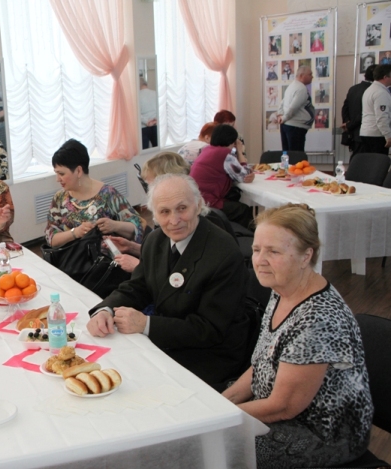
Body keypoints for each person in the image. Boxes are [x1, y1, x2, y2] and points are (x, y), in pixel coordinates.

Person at [223, 204, 372, 469]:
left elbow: (284, 407)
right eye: (257, 250)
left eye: (274, 251)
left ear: (306, 256)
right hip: (275, 408)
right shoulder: (283, 287)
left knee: (215, 448)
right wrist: (223, 402)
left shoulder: (319, 318)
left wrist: (219, 416)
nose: (259, 260)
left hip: (321, 434)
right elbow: (262, 364)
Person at [87, 173, 251, 387]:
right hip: (169, 339)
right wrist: (105, 310)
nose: (174, 220)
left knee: (134, 385)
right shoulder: (156, 240)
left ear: (199, 204)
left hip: (208, 355)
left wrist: (147, 325)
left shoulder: (224, 252)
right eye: (164, 212)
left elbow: (209, 330)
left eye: (182, 208)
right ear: (153, 215)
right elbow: (137, 286)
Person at [46, 138, 142, 251]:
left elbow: (137, 227)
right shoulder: (59, 198)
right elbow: (51, 238)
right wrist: (75, 233)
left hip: (104, 264)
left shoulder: (108, 194)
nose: (58, 179)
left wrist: (114, 225)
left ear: (78, 171)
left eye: (61, 174)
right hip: (70, 263)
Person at [107, 152, 189, 274]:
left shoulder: (185, 221)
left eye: (151, 186)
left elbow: (180, 272)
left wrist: (138, 267)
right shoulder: (165, 217)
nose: (149, 192)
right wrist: (131, 247)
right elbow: (165, 252)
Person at [190, 124, 254, 227]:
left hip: (196, 198)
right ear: (232, 141)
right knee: (243, 210)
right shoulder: (225, 154)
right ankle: (246, 238)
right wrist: (240, 151)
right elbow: (244, 176)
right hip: (208, 201)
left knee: (234, 195)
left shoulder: (207, 150)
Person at [277, 66, 315, 151]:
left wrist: (280, 114)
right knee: (296, 157)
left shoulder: (292, 85)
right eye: (310, 74)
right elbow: (293, 107)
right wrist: (284, 117)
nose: (312, 76)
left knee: (287, 155)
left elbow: (282, 102)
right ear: (302, 75)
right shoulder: (301, 88)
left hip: (287, 125)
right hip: (295, 128)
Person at [342, 64, 376, 159]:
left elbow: (345, 108)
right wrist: (350, 125)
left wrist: (347, 124)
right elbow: (365, 113)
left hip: (354, 134)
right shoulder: (373, 91)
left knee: (356, 161)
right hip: (368, 134)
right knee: (369, 164)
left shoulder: (353, 89)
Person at [359, 64, 391, 155]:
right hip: (377, 135)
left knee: (371, 164)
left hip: (367, 133)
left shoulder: (370, 89)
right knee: (379, 165)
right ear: (385, 77)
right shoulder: (381, 93)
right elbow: (382, 117)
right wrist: (388, 136)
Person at [139, 78, 158, 149]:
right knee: (158, 150)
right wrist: (156, 119)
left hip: (143, 127)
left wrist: (147, 121)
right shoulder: (156, 93)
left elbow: (136, 114)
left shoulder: (137, 96)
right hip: (156, 125)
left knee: (144, 151)